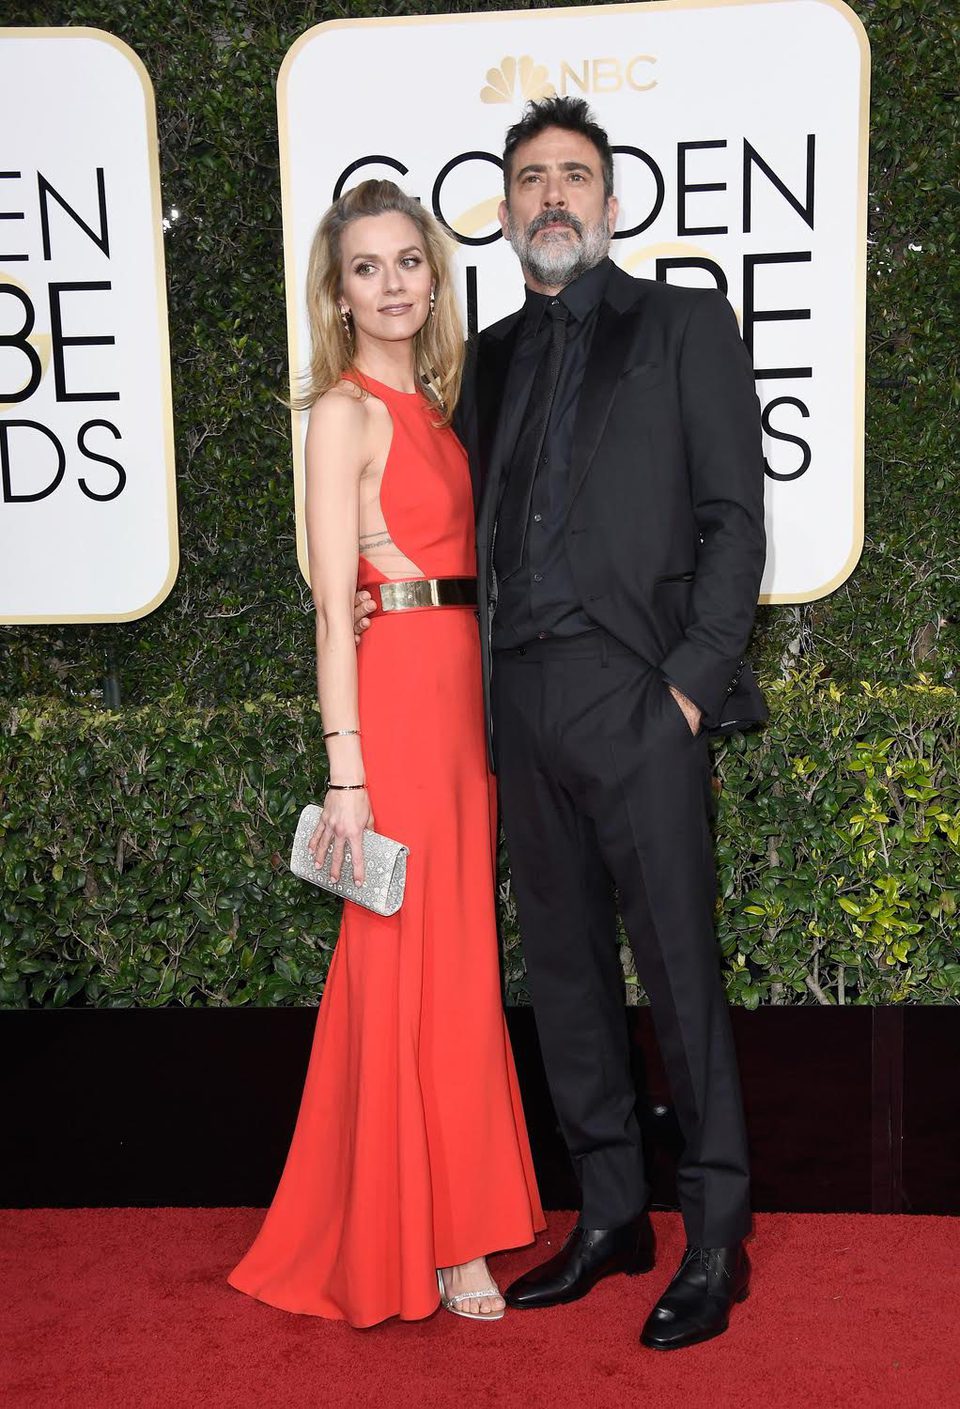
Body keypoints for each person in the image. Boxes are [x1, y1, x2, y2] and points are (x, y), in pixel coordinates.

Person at [356, 97, 767, 1351]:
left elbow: (733, 518)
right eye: (530, 178)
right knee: (570, 973)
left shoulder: (683, 323)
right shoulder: (489, 355)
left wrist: (689, 686)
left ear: (610, 200)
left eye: (573, 177)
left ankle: (715, 1239)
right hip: (518, 705)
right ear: (507, 205)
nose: (552, 197)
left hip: (637, 695)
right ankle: (609, 1215)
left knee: (680, 976)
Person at [228, 179, 544, 1329]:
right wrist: (346, 773)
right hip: (398, 711)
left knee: (457, 966)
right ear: (338, 288)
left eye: (408, 260)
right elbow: (330, 608)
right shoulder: (343, 413)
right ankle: (442, 1238)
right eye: (367, 266)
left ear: (433, 274)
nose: (393, 282)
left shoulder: (440, 409)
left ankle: (438, 1213)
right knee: (406, 964)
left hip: (465, 708)